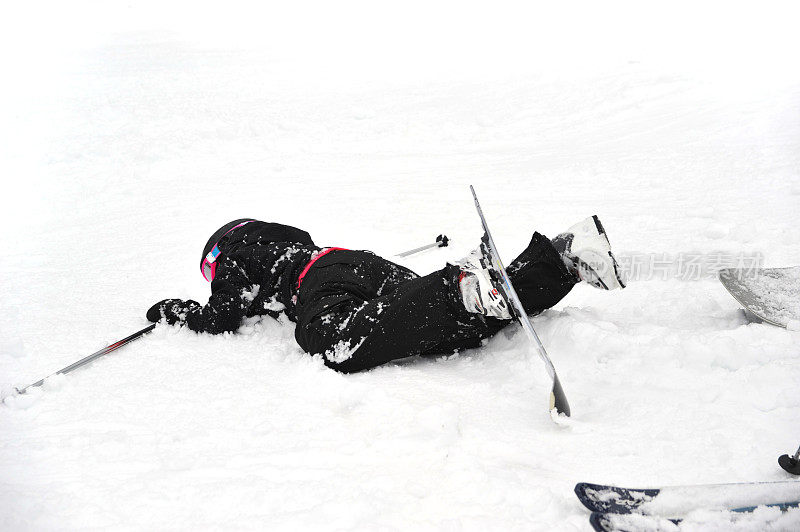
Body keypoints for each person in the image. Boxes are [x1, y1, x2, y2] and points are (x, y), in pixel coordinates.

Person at [147, 217, 625, 373]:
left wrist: (175, 311)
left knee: (330, 341)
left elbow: (222, 316)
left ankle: (463, 292)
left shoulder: (234, 250)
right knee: (437, 329)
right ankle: (563, 259)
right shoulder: (276, 235)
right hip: (364, 265)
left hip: (323, 279)